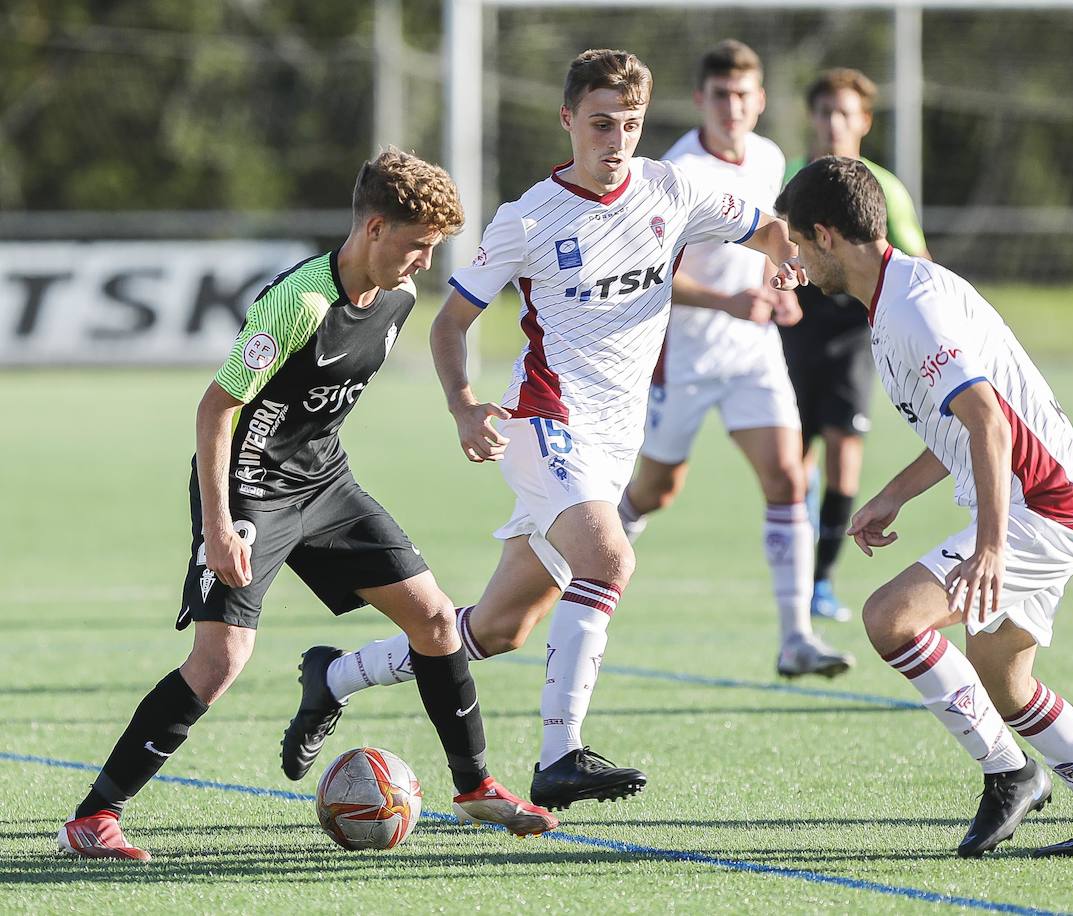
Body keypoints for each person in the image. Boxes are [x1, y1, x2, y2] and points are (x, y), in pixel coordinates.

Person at [279, 49, 808, 811]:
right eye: (600, 123)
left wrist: (781, 261)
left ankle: (333, 675)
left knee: (497, 630)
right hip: (545, 425)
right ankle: (559, 754)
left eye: (629, 124)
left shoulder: (675, 188)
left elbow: (769, 228)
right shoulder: (528, 217)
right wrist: (464, 404)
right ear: (568, 120)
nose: (616, 140)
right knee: (610, 557)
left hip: (613, 447)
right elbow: (451, 323)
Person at [57, 149, 557, 861]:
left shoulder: (397, 299)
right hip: (248, 489)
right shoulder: (299, 303)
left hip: (324, 483)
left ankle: (475, 786)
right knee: (220, 659)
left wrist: (461, 409)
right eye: (418, 247)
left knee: (437, 618)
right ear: (376, 229)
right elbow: (215, 410)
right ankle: (93, 817)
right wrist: (221, 523)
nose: (424, 264)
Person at [774, 157, 1073, 858]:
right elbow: (959, 425)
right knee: (1004, 678)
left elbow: (988, 422)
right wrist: (893, 494)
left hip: (1047, 507)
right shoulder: (896, 295)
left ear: (828, 235)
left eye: (799, 243)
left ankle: (1010, 774)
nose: (797, 260)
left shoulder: (912, 307)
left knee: (889, 618)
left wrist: (990, 547)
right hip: (1049, 500)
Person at [614, 40, 853, 679]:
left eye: (744, 95)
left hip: (752, 353)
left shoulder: (770, 158)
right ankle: (584, 568)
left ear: (761, 100)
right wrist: (727, 300)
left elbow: (771, 239)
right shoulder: (675, 171)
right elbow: (649, 276)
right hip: (683, 355)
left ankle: (796, 637)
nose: (732, 107)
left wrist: (783, 284)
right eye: (720, 95)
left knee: (787, 478)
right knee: (656, 491)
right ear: (700, 100)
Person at [780, 68, 931, 624]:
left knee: (845, 457)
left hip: (851, 337)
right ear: (812, 119)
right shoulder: (793, 177)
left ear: (864, 121)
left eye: (845, 113)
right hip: (794, 333)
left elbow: (915, 260)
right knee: (791, 466)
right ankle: (795, 581)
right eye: (825, 113)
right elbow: (770, 245)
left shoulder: (882, 186)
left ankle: (821, 581)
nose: (834, 124)